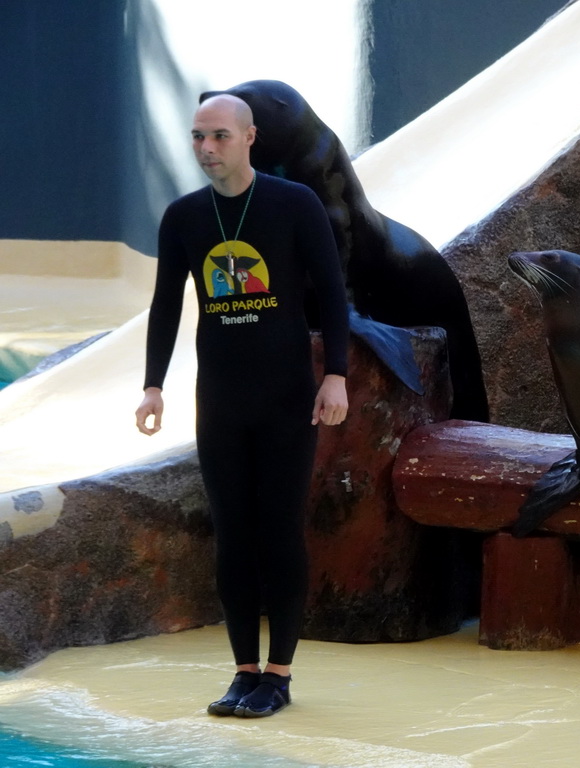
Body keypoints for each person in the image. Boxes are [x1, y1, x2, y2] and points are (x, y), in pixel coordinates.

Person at [135, 94, 350, 718]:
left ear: (250, 137)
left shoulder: (293, 205)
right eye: (198, 137)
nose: (207, 149)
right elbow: (165, 306)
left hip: (286, 400)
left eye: (220, 136)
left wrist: (335, 375)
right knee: (232, 536)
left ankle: (278, 675)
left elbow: (332, 296)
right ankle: (243, 672)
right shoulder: (184, 217)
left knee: (280, 532)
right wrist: (154, 385)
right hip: (221, 400)